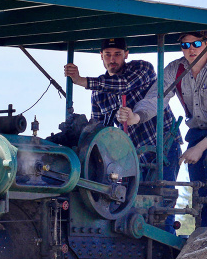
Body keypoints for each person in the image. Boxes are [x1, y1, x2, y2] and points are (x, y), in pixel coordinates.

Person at [118, 31, 207, 227]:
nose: (191, 50)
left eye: (196, 44)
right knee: (196, 172)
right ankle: (203, 225)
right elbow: (157, 98)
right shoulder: (174, 69)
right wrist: (135, 117)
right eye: (185, 45)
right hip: (199, 128)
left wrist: (199, 148)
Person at [64, 37, 182, 183]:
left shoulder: (143, 68)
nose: (112, 59)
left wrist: (81, 80)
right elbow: (99, 130)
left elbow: (123, 85)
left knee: (163, 197)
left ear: (126, 54)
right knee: (130, 201)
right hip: (132, 155)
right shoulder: (98, 93)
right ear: (101, 55)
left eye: (117, 54)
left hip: (163, 145)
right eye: (108, 54)